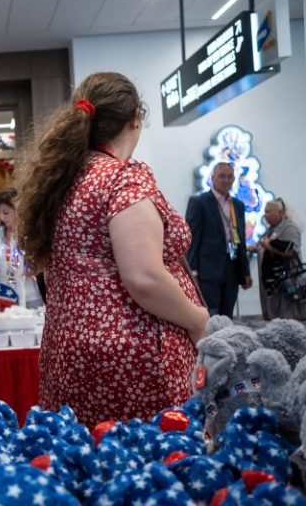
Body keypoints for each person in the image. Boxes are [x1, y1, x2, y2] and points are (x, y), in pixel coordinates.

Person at [14, 72, 209, 427]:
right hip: (131, 355)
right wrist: (198, 322)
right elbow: (144, 277)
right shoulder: (122, 177)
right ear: (135, 120)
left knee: (85, 453)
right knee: (150, 455)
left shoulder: (59, 180)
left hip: (68, 351)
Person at [186, 162, 253, 318]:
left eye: (230, 177)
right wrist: (192, 271)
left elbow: (241, 240)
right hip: (208, 269)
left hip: (232, 267)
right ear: (212, 178)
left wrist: (245, 272)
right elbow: (192, 238)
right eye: (222, 176)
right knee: (210, 315)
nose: (226, 180)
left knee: (227, 314)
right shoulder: (199, 202)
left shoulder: (237, 205)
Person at [0, 188, 42, 308]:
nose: (1, 217)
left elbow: (40, 262)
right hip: (3, 294)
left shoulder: (32, 231)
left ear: (18, 210)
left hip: (30, 294)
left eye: (5, 213)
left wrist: (32, 269)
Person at [255, 198, 306, 320]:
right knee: (275, 317)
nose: (265, 215)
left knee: (288, 318)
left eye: (268, 211)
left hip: (287, 281)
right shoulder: (270, 229)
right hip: (273, 281)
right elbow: (264, 246)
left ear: (279, 212)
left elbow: (291, 251)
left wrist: (269, 247)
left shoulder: (289, 228)